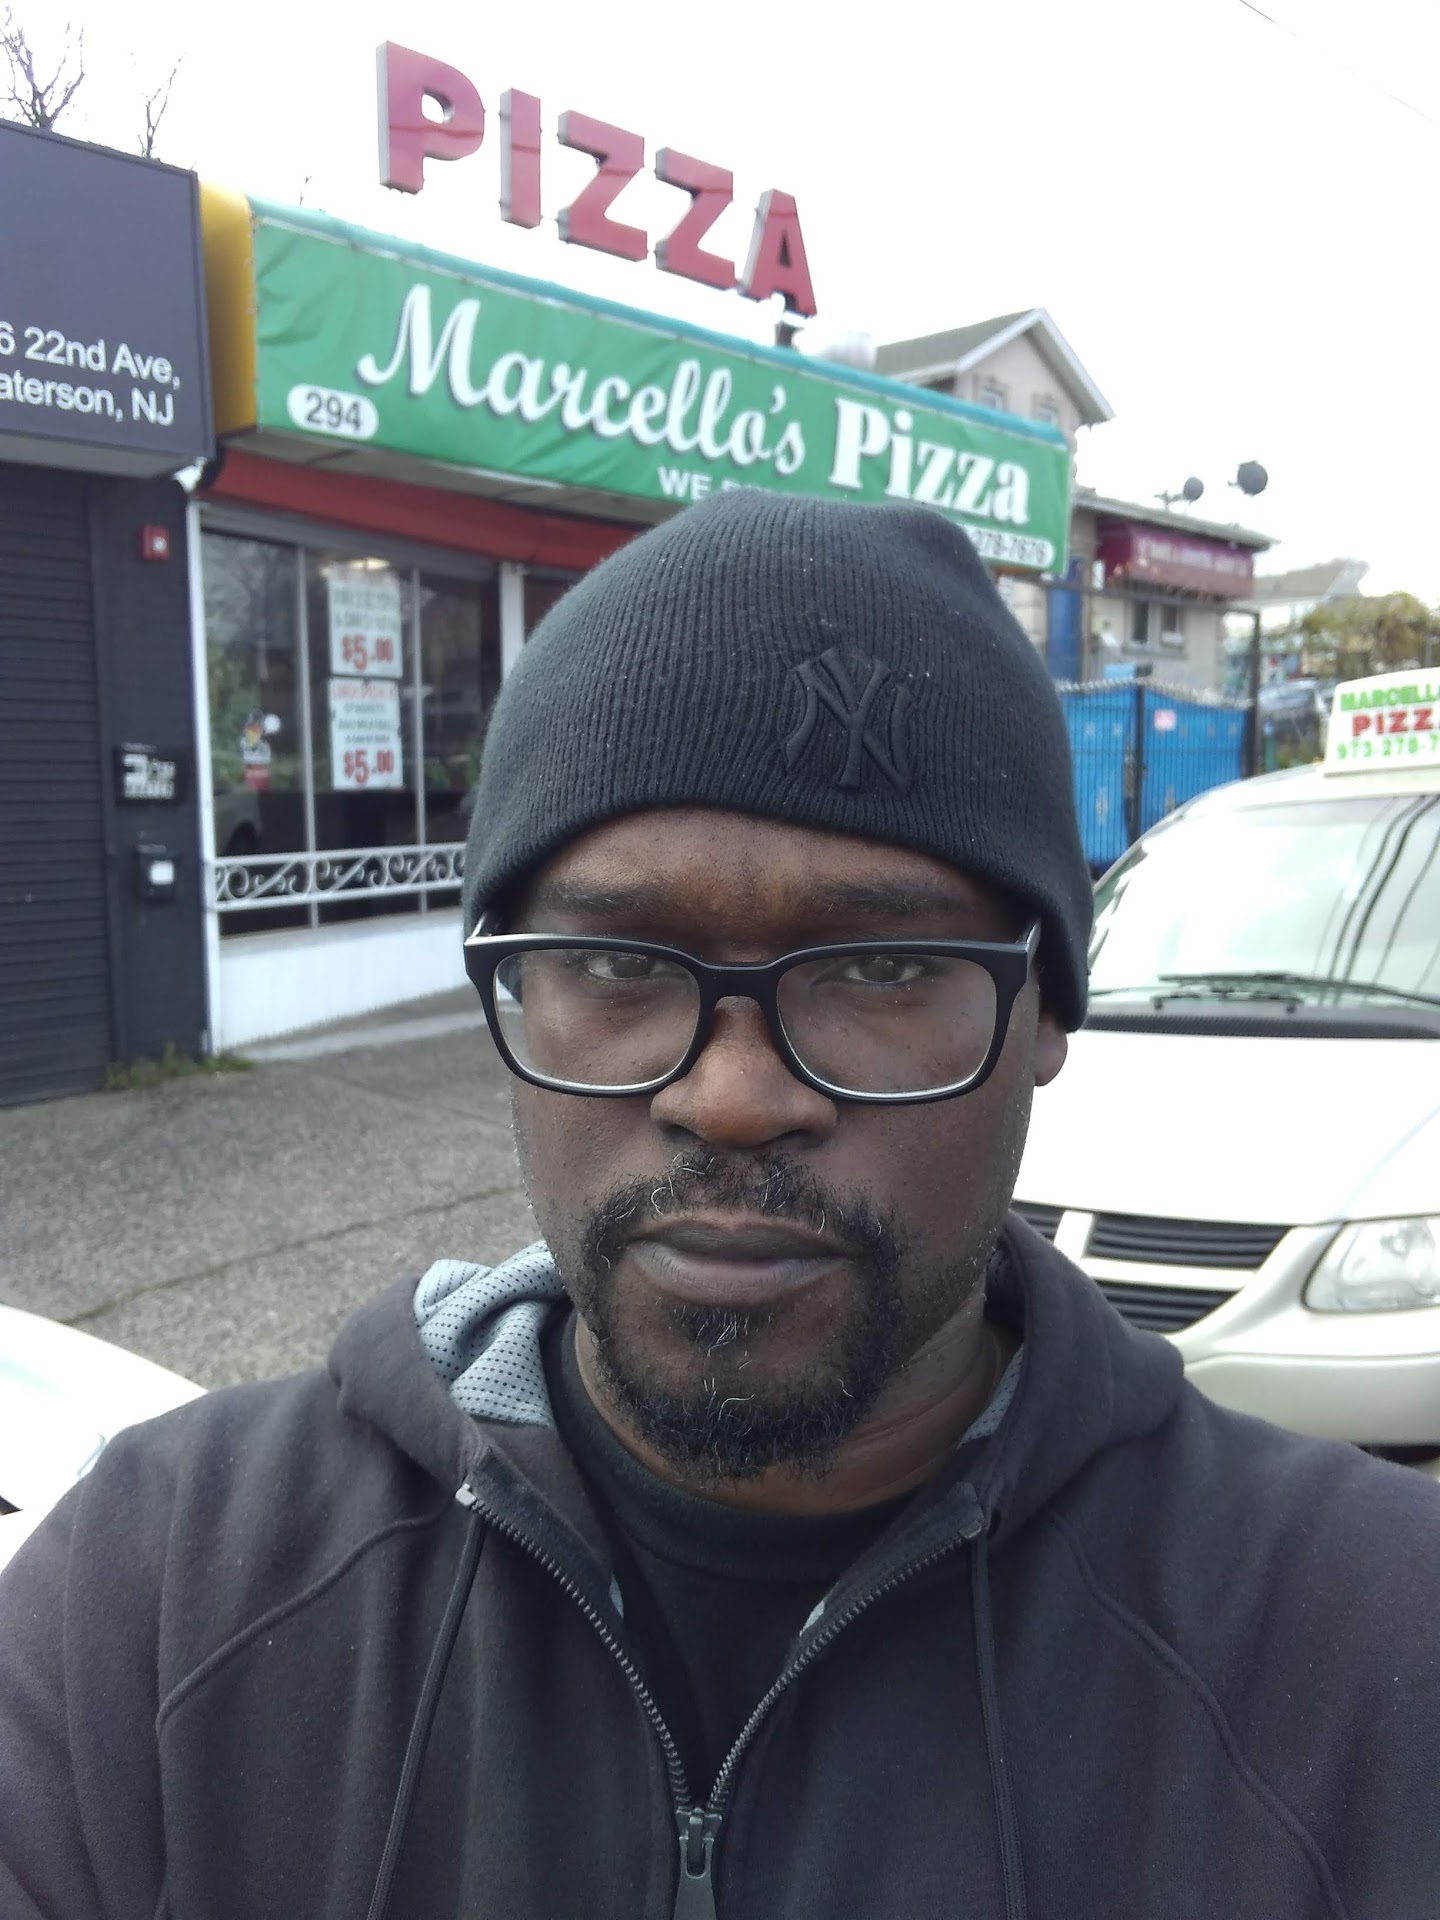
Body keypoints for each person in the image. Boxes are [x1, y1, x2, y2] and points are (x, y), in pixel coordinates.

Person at [1, 491, 1436, 1920]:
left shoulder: (1369, 1650)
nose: (735, 1099)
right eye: (615, 964)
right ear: (513, 987)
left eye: (880, 968)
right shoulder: (160, 1586)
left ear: (1045, 1012)